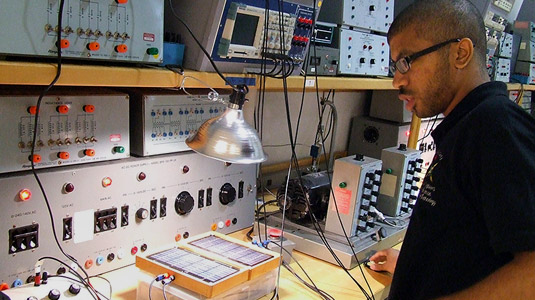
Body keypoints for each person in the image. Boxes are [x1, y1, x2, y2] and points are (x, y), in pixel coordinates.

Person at [368, 0, 535, 299]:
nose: (397, 80)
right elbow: (468, 245)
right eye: (395, 66)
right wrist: (409, 266)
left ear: (460, 53)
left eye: (407, 61)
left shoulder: (496, 126)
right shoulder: (466, 127)